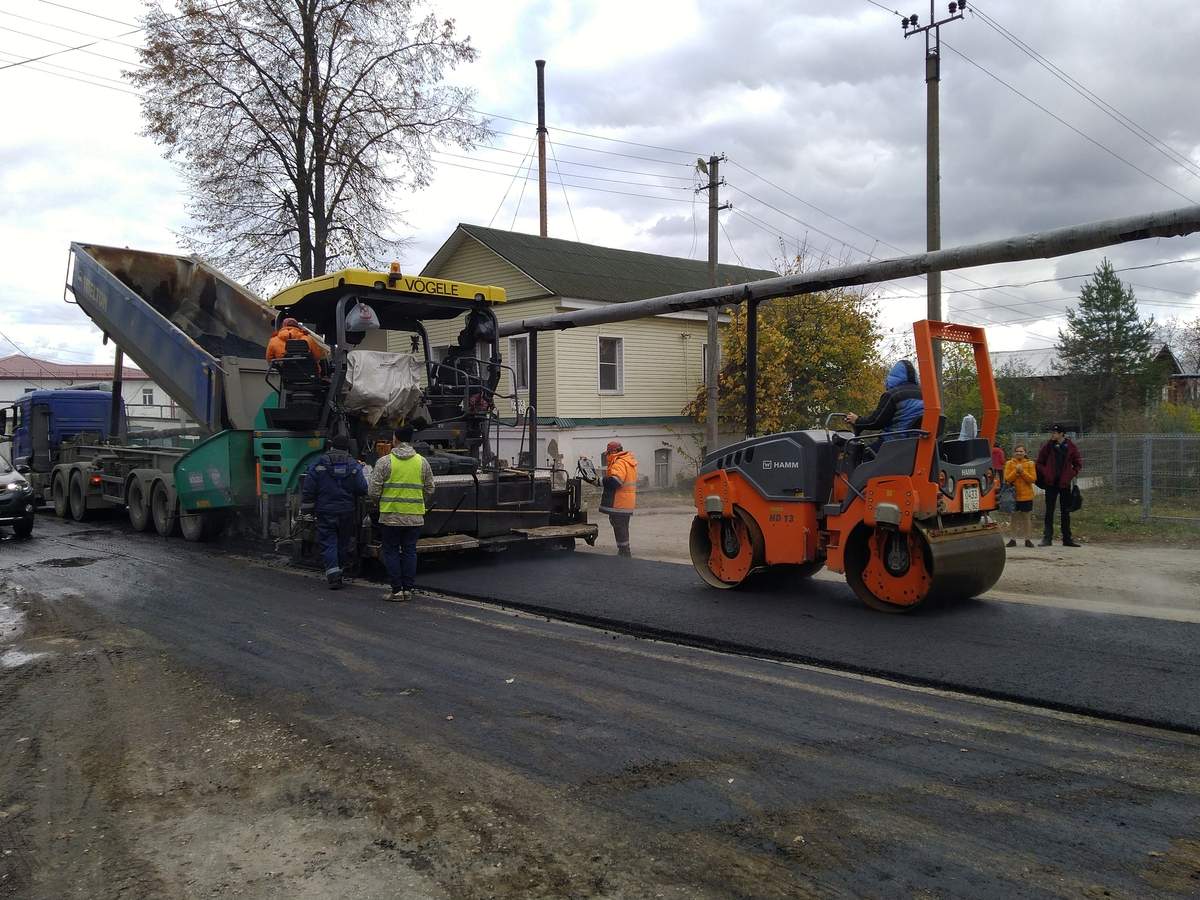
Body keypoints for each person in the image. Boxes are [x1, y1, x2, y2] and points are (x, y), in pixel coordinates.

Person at [368, 424, 435, 601]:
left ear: (395, 439)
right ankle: (408, 589)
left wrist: (379, 503)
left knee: (390, 551)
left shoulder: (385, 462)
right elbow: (430, 488)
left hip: (390, 517)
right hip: (414, 517)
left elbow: (373, 491)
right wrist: (419, 502)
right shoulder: (422, 462)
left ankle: (396, 590)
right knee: (409, 551)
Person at [301, 434, 368, 589]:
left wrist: (307, 509)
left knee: (328, 541)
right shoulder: (353, 465)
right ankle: (340, 570)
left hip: (325, 510)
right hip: (346, 510)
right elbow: (362, 488)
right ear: (347, 448)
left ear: (331, 446)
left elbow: (309, 488)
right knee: (343, 542)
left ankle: (333, 576)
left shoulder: (319, 463)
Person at [846, 360, 925, 444]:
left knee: (862, 455)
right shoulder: (925, 394)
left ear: (893, 375)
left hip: (894, 443)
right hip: (917, 443)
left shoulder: (893, 395)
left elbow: (876, 422)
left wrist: (857, 420)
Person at [1036, 423, 1083, 547]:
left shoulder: (1071, 446)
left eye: (1055, 432)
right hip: (1051, 483)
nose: (1052, 434)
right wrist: (1046, 472)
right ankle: (1047, 538)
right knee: (1049, 511)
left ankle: (1067, 539)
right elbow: (1039, 462)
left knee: (1065, 512)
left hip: (1064, 484)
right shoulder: (1048, 446)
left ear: (1062, 434)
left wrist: (1071, 473)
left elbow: (1078, 462)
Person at [599, 440, 637, 557]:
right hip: (626, 502)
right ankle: (624, 550)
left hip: (619, 502)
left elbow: (616, 481)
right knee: (622, 527)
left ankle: (624, 553)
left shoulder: (619, 463)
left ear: (614, 451)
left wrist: (599, 481)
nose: (608, 456)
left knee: (620, 527)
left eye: (609, 453)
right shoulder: (627, 461)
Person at [1003, 443, 1037, 548]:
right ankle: (1013, 539)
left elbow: (1032, 479)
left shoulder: (1030, 464)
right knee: (1013, 518)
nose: (1019, 453)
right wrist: (1016, 472)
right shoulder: (1009, 463)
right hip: (1013, 496)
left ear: (1025, 453)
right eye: (1017, 451)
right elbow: (1007, 479)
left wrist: (1022, 472)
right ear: (1014, 453)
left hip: (1026, 496)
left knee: (1026, 518)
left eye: (1021, 451)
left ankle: (1028, 539)